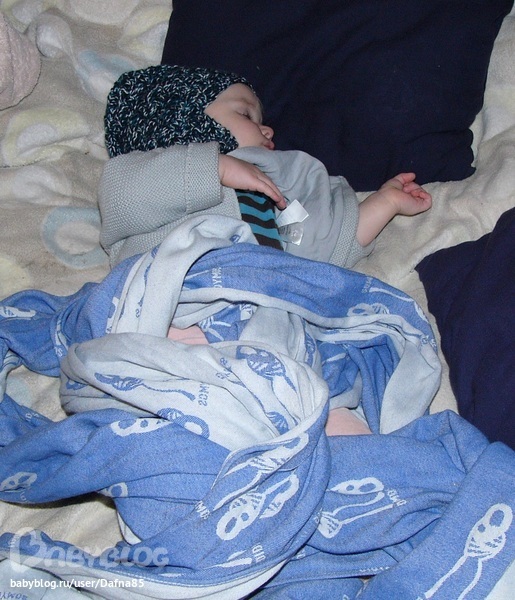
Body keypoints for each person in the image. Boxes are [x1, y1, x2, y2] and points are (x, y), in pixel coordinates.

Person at [100, 64, 431, 268]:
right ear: (183, 122)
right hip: (163, 301)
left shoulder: (274, 197)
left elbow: (318, 248)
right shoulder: (157, 177)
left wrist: (385, 203)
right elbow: (120, 194)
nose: (268, 129)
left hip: (244, 324)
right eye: (246, 114)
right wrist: (217, 168)